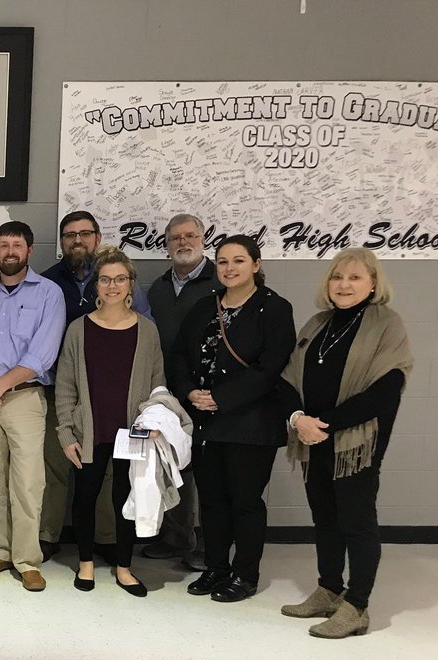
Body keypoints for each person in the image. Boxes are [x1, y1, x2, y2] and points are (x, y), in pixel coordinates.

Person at [279, 248, 412, 638]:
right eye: (338, 277)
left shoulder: (386, 324)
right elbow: (286, 380)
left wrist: (326, 424)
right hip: (312, 439)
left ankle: (357, 606)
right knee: (326, 519)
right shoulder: (318, 324)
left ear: (373, 283)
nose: (344, 285)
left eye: (355, 278)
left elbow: (387, 389)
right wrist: (298, 420)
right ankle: (328, 589)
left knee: (356, 522)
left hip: (355, 444)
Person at [168, 234, 296, 602]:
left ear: (256, 265)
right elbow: (178, 356)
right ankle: (216, 568)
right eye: (223, 261)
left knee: (245, 501)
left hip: (251, 423)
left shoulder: (274, 309)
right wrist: (190, 392)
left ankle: (245, 575)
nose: (229, 268)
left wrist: (220, 400)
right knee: (211, 501)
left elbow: (270, 368)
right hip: (206, 422)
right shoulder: (204, 307)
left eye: (238, 261)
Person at [0, 221, 66, 592]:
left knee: (28, 483)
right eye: (3, 245)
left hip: (24, 399)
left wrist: (0, 385)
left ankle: (27, 560)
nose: (9, 252)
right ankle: (0, 552)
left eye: (16, 245)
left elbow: (43, 353)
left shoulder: (49, 294)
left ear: (29, 250)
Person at [39, 211, 152, 562]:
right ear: (61, 242)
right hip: (64, 390)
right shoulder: (48, 282)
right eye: (70, 234)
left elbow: (146, 347)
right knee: (58, 466)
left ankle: (106, 538)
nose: (77, 240)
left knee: (109, 476)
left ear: (97, 237)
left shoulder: (124, 285)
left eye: (84, 233)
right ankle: (48, 535)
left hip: (117, 402)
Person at [55, 246, 166, 597]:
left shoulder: (147, 331)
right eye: (105, 279)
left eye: (119, 279)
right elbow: (66, 384)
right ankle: (85, 562)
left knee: (125, 496)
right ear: (96, 285)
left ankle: (124, 567)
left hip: (133, 431)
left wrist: (154, 422)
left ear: (130, 284)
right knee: (85, 495)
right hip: (89, 428)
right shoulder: (78, 329)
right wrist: (65, 432)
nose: (112, 285)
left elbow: (157, 383)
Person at [142, 214, 221, 571]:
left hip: (209, 391)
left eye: (190, 236)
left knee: (209, 469)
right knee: (173, 460)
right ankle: (176, 536)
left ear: (203, 239)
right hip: (168, 390)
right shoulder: (158, 288)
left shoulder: (220, 280)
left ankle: (210, 543)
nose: (182, 243)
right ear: (167, 244)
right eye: (175, 238)